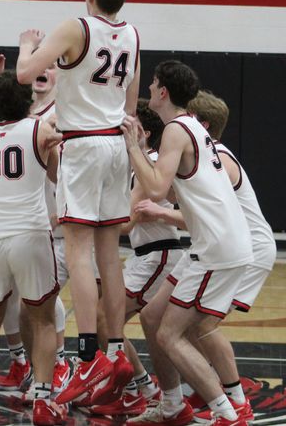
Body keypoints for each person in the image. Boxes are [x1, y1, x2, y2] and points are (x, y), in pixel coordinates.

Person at [16, 0, 141, 406]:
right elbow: (130, 103)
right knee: (110, 254)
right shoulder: (132, 34)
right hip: (115, 143)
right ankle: (113, 350)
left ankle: (89, 355)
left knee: (79, 252)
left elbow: (25, 74)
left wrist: (27, 45)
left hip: (84, 144)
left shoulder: (76, 26)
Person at [121, 60, 253, 426]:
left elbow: (158, 190)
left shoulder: (177, 130)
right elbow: (180, 194)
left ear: (163, 92)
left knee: (171, 333)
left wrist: (134, 148)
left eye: (152, 84)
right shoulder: (189, 128)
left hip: (217, 246)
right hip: (210, 243)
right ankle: (172, 403)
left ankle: (228, 413)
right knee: (151, 315)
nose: (148, 88)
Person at [0, 72, 65, 425]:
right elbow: (56, 176)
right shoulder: (39, 129)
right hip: (30, 232)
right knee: (42, 320)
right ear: (25, 100)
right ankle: (42, 399)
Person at [91, 99, 180, 417]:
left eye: (129, 124)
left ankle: (138, 390)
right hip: (147, 256)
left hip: (158, 256)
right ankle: (144, 387)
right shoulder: (139, 164)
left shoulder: (151, 163)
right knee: (108, 317)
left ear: (143, 130)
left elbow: (126, 222)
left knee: (105, 317)